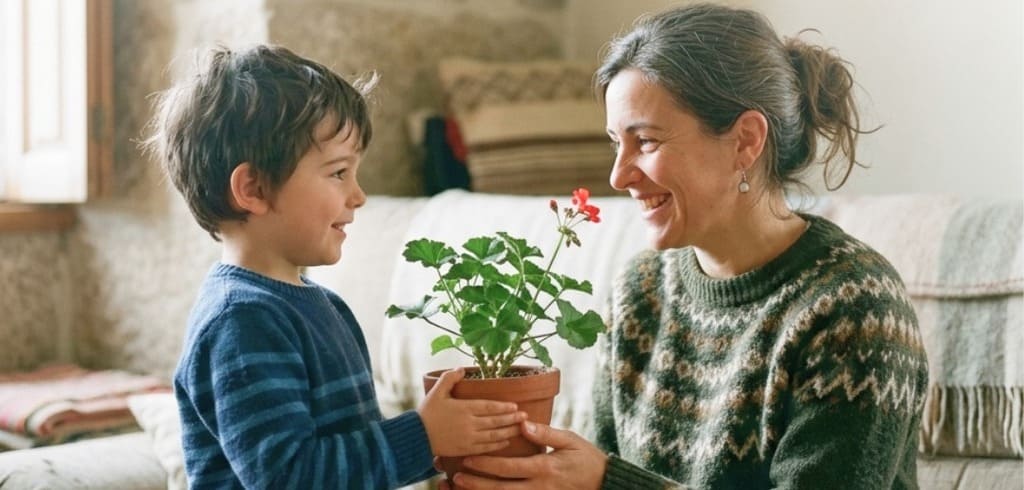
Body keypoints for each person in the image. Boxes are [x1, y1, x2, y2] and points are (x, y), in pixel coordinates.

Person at [441, 4, 928, 489]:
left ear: (745, 141)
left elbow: (607, 478)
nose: (618, 175)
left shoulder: (853, 308)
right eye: (616, 143)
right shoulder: (641, 292)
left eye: (646, 141)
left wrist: (607, 483)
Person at [145, 44, 526, 489]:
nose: (358, 195)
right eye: (338, 172)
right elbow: (289, 478)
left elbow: (351, 457)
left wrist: (438, 454)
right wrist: (423, 436)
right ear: (253, 188)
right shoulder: (241, 320)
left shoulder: (323, 305)